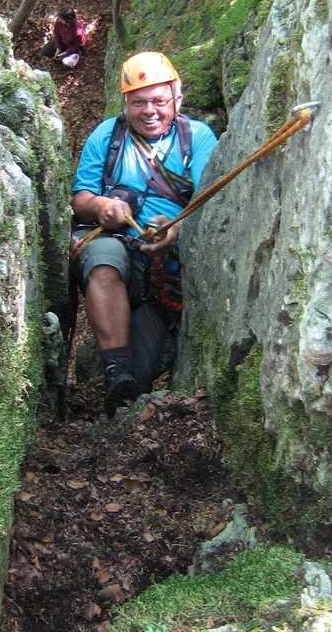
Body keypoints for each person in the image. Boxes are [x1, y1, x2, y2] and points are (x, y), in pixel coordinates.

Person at [71, 52, 218, 418]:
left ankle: (129, 381)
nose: (149, 111)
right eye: (138, 102)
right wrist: (101, 207)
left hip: (166, 267)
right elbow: (80, 198)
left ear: (177, 99)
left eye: (159, 101)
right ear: (125, 104)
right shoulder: (107, 136)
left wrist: (178, 228)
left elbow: (209, 200)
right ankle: (114, 370)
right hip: (117, 242)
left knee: (145, 369)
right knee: (102, 256)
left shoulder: (196, 138)